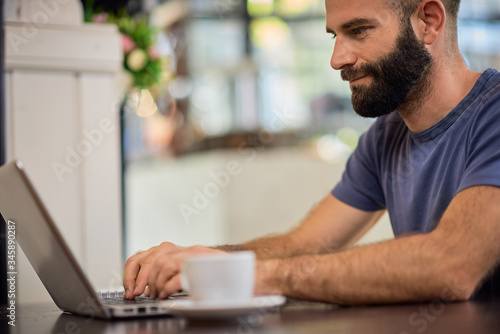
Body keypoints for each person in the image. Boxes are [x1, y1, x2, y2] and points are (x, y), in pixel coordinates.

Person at [123, 0, 500, 305]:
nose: (337, 59)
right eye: (335, 35)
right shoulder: (385, 137)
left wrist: (253, 277)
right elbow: (304, 245)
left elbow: (452, 264)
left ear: (429, 21)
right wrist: (206, 259)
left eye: (358, 31)